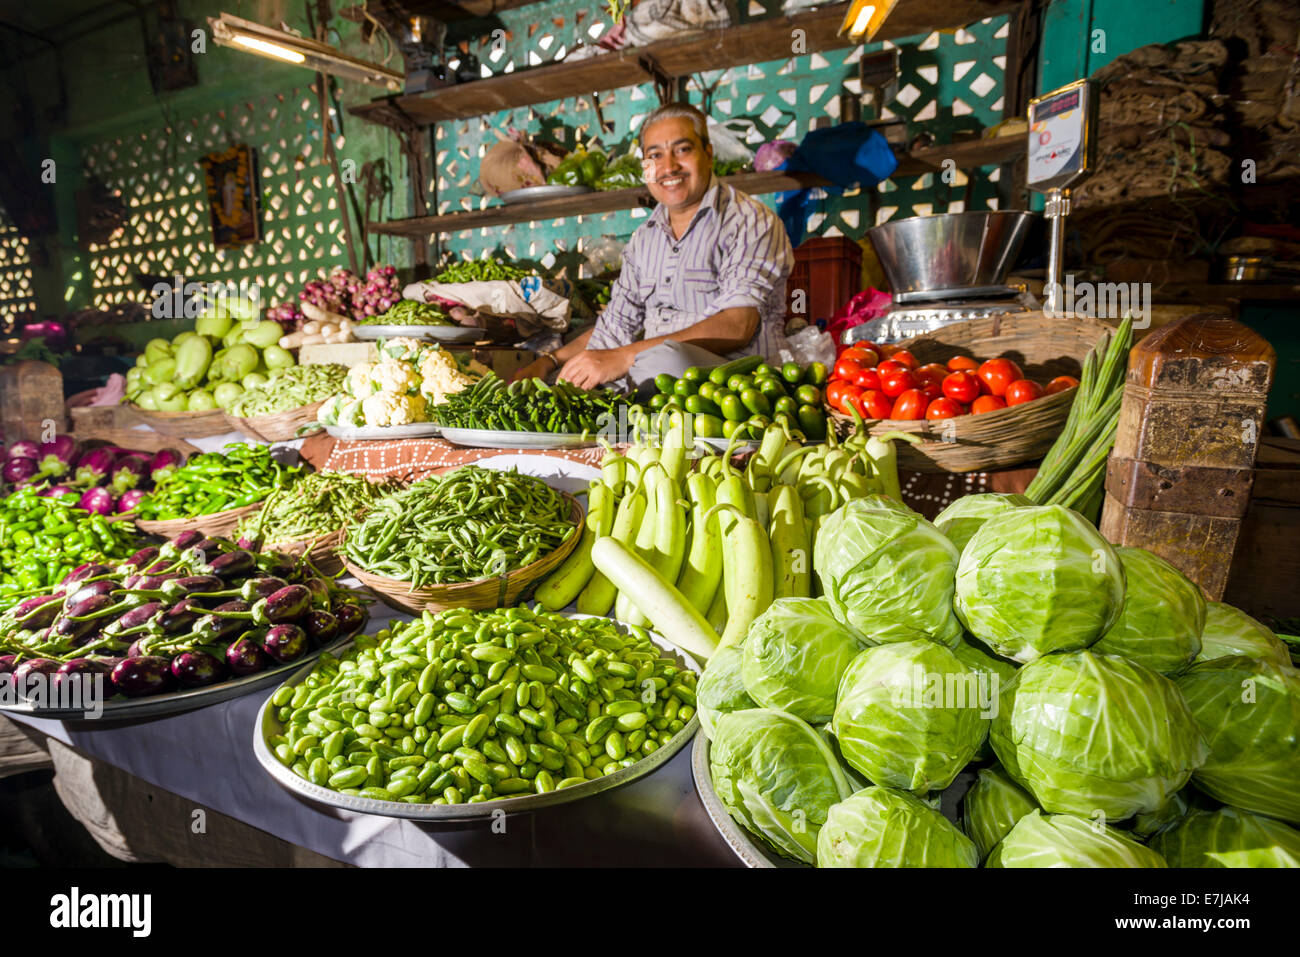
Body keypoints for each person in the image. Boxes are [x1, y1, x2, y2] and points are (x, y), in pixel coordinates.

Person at [511, 103, 794, 390]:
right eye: (655, 155)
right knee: (569, 381)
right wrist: (553, 363)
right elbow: (617, 325)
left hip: (737, 383)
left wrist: (623, 357)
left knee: (667, 361)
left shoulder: (748, 220)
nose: (668, 167)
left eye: (682, 150)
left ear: (708, 155)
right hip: (654, 375)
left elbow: (739, 325)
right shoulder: (644, 239)